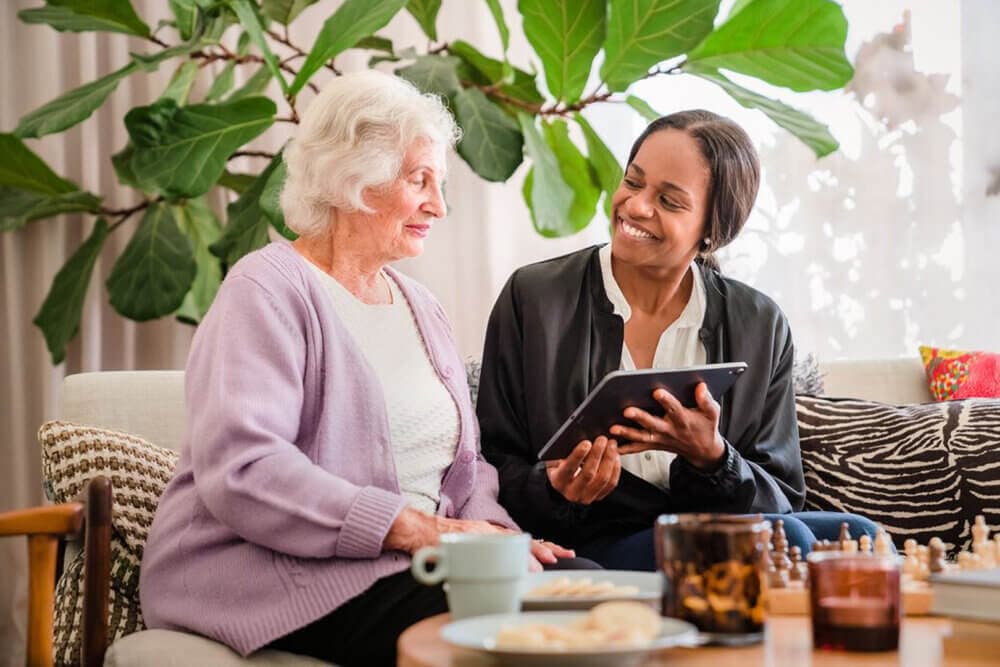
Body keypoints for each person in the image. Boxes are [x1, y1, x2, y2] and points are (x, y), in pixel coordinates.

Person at [139, 71, 579, 667]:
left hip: (413, 562)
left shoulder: (421, 307)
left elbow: (465, 470)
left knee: (593, 594)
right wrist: (425, 531)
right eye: (420, 180)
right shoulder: (265, 292)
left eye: (440, 183)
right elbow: (245, 469)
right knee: (504, 632)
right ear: (355, 180)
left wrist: (496, 539)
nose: (439, 206)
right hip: (279, 572)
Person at [477, 109, 881, 572]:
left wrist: (711, 457)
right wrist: (557, 488)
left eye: (669, 201)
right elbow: (489, 463)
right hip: (589, 538)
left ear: (712, 229)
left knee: (864, 538)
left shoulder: (759, 323)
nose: (635, 207)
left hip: (713, 524)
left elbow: (783, 494)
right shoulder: (534, 298)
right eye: (633, 182)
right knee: (786, 538)